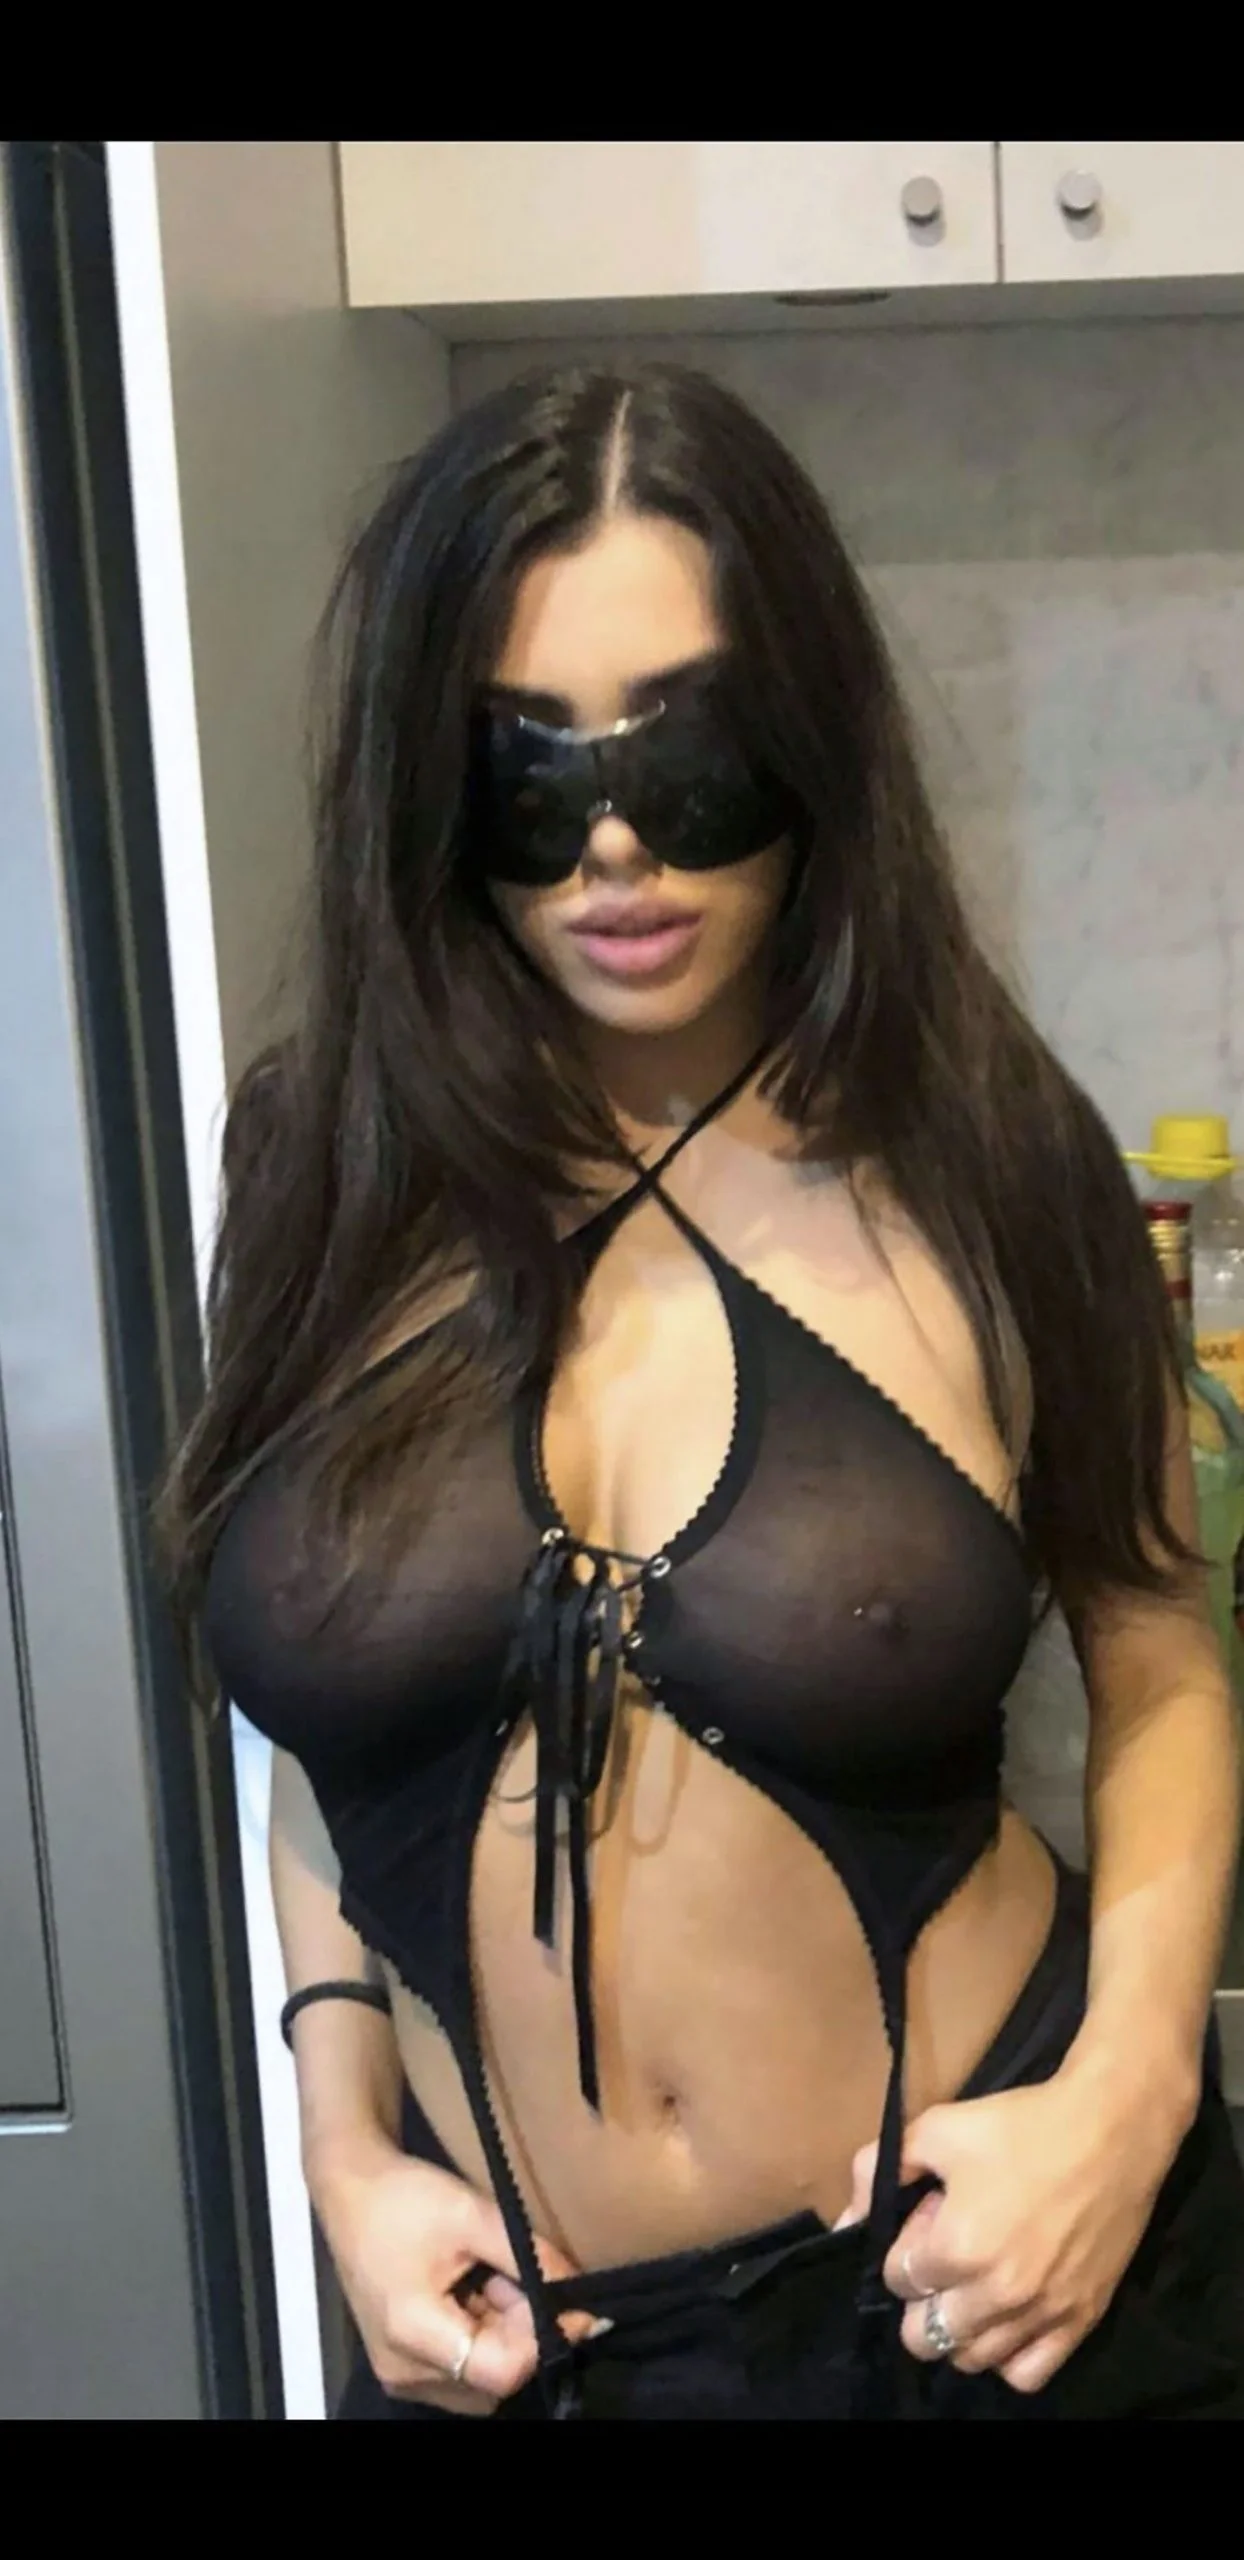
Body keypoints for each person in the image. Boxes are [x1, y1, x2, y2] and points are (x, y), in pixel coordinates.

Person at [162, 360, 1244, 2421]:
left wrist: (1130, 2092)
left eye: (691, 753)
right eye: (528, 775)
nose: (617, 847)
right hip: (515, 2347)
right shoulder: (321, 1168)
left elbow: (1154, 1643)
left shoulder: (989, 1149)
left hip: (996, 2293)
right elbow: (333, 1713)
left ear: (810, 736)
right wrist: (343, 2143)